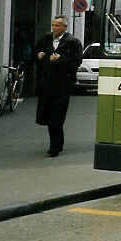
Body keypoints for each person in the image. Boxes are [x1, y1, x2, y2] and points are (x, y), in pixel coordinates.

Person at [35, 15, 83, 157]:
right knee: (49, 116)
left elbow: (76, 62)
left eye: (57, 25)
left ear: (64, 27)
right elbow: (35, 55)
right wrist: (39, 56)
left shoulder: (72, 42)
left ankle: (55, 147)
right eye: (53, 25)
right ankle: (56, 144)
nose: (54, 28)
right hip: (46, 85)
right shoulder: (46, 39)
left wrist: (61, 59)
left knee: (57, 116)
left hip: (62, 86)